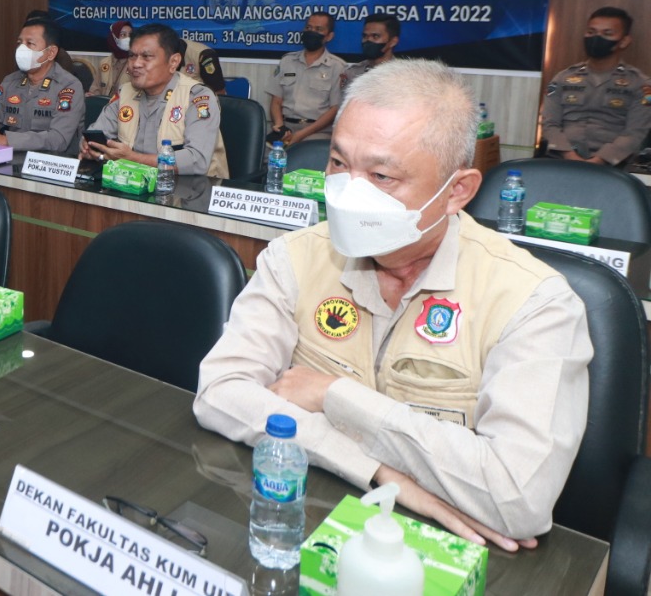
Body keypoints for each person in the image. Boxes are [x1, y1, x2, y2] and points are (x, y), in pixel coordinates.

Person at [195, 59, 591, 550]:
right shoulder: (295, 256)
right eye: (338, 163)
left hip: (451, 551)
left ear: (457, 191)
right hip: (309, 514)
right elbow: (220, 391)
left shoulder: (533, 302)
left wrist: (332, 394)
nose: (348, 192)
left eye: (381, 175)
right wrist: (376, 469)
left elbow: (516, 499)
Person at [82, 23, 229, 176]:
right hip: (134, 183)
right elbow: (97, 132)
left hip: (190, 187)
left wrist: (133, 158)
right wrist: (89, 146)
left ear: (173, 62)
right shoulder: (125, 92)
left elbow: (197, 161)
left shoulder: (197, 96)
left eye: (146, 57)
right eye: (132, 56)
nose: (136, 64)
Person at [541, 6, 650, 166]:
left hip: (612, 165)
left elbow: (635, 132)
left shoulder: (640, 84)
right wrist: (569, 155)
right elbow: (549, 124)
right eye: (591, 32)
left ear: (624, 41)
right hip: (561, 160)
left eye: (607, 34)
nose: (596, 38)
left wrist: (600, 160)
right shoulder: (562, 78)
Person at [0, 18, 85, 154]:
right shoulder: (10, 82)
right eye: (19, 43)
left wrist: (5, 140)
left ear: (51, 52)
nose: (21, 49)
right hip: (12, 161)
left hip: (53, 163)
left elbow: (58, 139)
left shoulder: (69, 86)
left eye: (30, 43)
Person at [266, 11, 346, 145]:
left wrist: (301, 135)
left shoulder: (337, 67)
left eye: (318, 29)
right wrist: (279, 126)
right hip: (286, 128)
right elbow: (276, 101)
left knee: (304, 154)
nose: (312, 32)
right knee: (264, 154)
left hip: (317, 131)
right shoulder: (287, 61)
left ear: (329, 36)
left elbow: (334, 110)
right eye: (309, 28)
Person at [341, 13, 402, 90]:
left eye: (375, 36)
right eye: (365, 36)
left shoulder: (402, 74)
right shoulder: (353, 72)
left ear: (393, 42)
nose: (368, 40)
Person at [88, 21, 133, 98]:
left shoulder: (136, 64)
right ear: (113, 38)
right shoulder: (104, 63)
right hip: (104, 105)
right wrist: (91, 96)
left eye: (130, 35)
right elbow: (95, 90)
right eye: (123, 35)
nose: (128, 38)